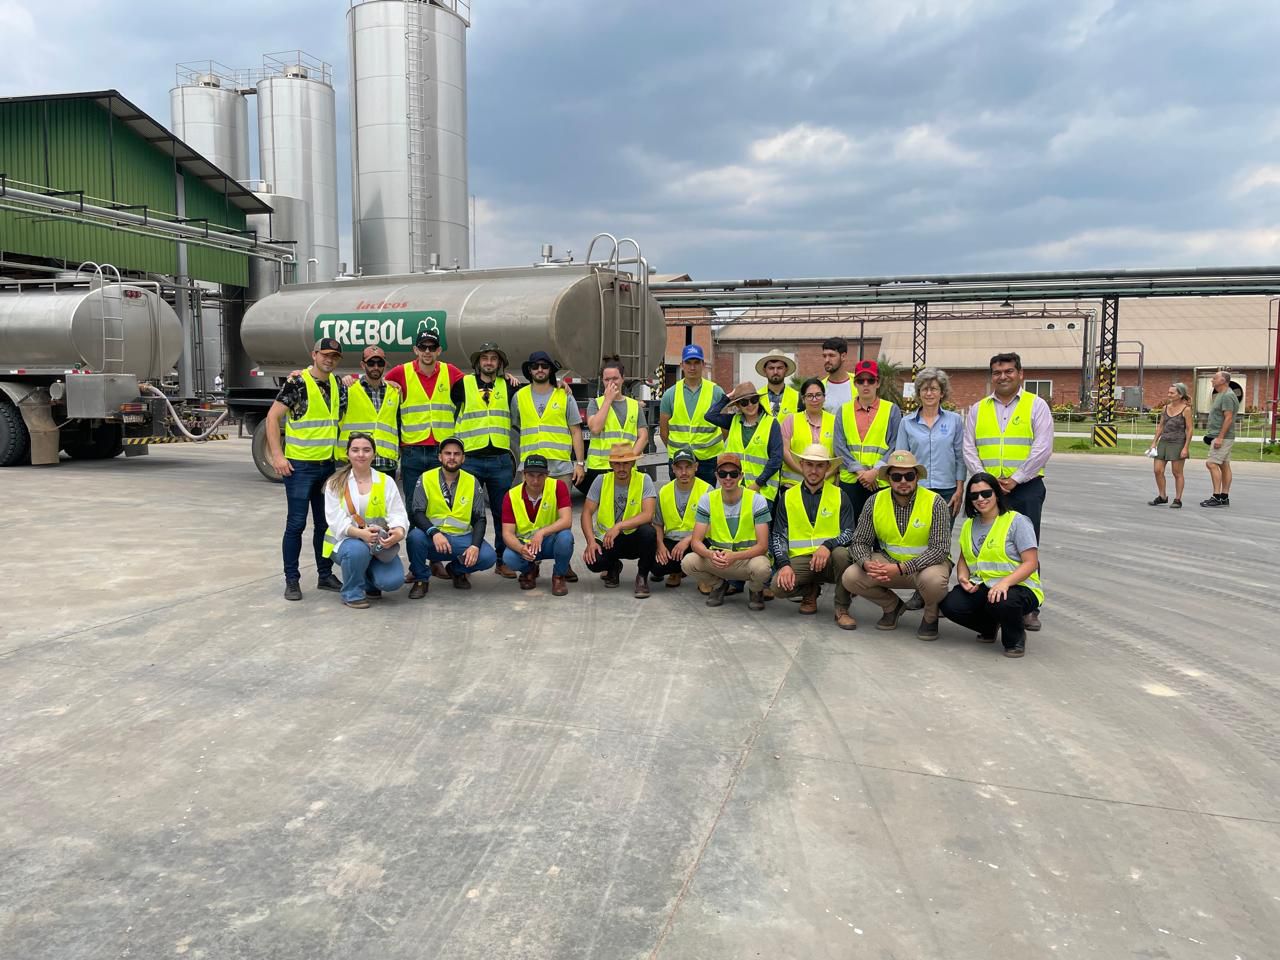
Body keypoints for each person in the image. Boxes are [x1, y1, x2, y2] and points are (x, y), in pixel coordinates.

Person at [963, 352, 1053, 632]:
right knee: (986, 543)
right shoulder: (978, 409)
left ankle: (1029, 607)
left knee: (1026, 545)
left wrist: (1016, 478)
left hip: (1026, 487)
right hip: (988, 491)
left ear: (1020, 373)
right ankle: (987, 597)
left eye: (1009, 371)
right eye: (997, 372)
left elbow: (1043, 447)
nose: (1003, 377)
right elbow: (969, 447)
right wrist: (986, 482)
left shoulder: (1036, 405)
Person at [265, 337, 348, 601]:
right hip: (300, 467)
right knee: (296, 525)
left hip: (327, 466)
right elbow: (272, 417)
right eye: (325, 355)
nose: (329, 360)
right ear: (314, 355)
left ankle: (325, 575)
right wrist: (277, 456)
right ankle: (292, 580)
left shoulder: (337, 385)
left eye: (334, 356)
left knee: (324, 525)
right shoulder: (297, 383)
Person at [842, 450, 954, 641]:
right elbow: (860, 541)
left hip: (925, 567)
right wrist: (866, 563)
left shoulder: (935, 502)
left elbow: (940, 549)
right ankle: (892, 606)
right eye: (896, 476)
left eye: (909, 475)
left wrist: (902, 568)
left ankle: (930, 615)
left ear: (917, 477)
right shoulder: (874, 501)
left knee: (934, 581)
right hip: (888, 562)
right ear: (888, 478)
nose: (903, 481)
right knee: (851, 577)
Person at [940, 472, 1043, 658]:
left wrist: (1005, 583)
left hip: (1018, 587)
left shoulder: (1017, 521)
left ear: (997, 494)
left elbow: (1031, 563)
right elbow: (964, 558)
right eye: (974, 495)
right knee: (950, 605)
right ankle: (989, 626)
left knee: (1002, 602)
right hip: (984, 585)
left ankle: (1015, 638)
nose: (980, 499)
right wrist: (963, 577)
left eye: (986, 493)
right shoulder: (969, 525)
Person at [898, 367, 965, 610]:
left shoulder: (954, 421)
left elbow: (959, 457)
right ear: (918, 393)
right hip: (917, 491)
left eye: (934, 389)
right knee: (921, 541)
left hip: (947, 491)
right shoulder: (907, 423)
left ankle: (938, 592)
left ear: (942, 392)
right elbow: (901, 458)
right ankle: (921, 590)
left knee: (941, 543)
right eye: (924, 389)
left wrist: (959, 489)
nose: (929, 393)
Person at [452, 341, 521, 575]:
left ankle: (502, 560)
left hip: (500, 460)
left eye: (493, 358)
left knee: (503, 514)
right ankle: (464, 564)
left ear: (500, 363)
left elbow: (535, 392)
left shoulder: (509, 386)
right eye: (485, 358)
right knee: (465, 513)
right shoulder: (462, 385)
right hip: (470, 459)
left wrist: (561, 385)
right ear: (477, 362)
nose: (489, 362)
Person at [771, 444, 857, 629]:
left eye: (819, 466)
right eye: (809, 464)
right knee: (777, 586)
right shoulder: (788, 496)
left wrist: (828, 545)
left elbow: (850, 532)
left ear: (827, 468)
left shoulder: (840, 495)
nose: (814, 470)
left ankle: (842, 608)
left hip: (830, 560)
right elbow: (778, 535)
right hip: (801, 559)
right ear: (801, 465)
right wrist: (784, 565)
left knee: (842, 555)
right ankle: (810, 590)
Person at [322, 433, 408, 608]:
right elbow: (335, 520)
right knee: (357, 550)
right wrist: (361, 534)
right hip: (345, 541)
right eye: (355, 450)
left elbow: (397, 512)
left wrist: (399, 531)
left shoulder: (386, 481)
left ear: (374, 454)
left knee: (392, 581)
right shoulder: (335, 483)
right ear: (348, 454)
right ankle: (352, 593)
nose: (361, 454)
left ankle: (368, 581)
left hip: (377, 543)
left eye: (366, 450)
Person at [384, 329, 465, 513]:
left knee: (440, 503)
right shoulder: (401, 372)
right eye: (423, 347)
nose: (427, 351)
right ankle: (415, 533)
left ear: (439, 350)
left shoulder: (450, 371)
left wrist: (503, 376)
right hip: (412, 450)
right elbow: (376, 383)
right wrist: (388, 383)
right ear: (415, 350)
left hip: (441, 450)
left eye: (432, 347)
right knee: (414, 503)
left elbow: (475, 384)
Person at [405, 436, 498, 597]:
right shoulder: (426, 478)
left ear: (463, 458)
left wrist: (475, 546)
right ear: (440, 457)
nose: (452, 457)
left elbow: (480, 519)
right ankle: (421, 579)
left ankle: (456, 570)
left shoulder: (472, 481)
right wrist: (434, 533)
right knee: (414, 537)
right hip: (433, 539)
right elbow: (417, 512)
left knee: (488, 556)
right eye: (448, 453)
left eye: (457, 454)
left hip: (461, 538)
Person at [681, 452, 773, 608]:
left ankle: (755, 590)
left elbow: (763, 546)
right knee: (688, 562)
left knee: (762, 568)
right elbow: (696, 542)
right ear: (717, 475)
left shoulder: (756, 500)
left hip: (747, 560)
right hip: (718, 559)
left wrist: (734, 556)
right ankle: (718, 585)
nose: (728, 478)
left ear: (741, 476)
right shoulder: (707, 499)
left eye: (733, 474)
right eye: (723, 474)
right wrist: (711, 554)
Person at [581, 443, 658, 598]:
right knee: (593, 561)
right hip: (608, 540)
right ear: (610, 464)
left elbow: (648, 514)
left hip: (634, 537)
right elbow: (586, 513)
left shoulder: (644, 479)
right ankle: (613, 567)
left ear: (633, 463)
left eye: (626, 463)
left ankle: (642, 576)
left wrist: (619, 526)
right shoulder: (601, 480)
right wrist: (591, 542)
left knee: (649, 532)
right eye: (617, 464)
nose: (621, 468)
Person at [834, 358, 902, 523]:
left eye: (870, 380)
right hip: (851, 480)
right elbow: (839, 446)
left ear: (877, 383)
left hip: (879, 481)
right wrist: (861, 472)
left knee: (879, 528)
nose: (866, 384)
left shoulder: (891, 410)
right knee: (851, 528)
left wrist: (875, 472)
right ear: (855, 383)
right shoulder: (843, 410)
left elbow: (895, 445)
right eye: (861, 380)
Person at [500, 454, 575, 595]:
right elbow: (507, 533)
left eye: (540, 475)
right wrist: (521, 548)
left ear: (547, 475)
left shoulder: (558, 486)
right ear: (523, 475)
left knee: (566, 537)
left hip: (548, 542)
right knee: (509, 557)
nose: (535, 481)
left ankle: (559, 576)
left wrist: (541, 533)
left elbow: (567, 520)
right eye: (531, 475)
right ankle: (529, 570)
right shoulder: (511, 495)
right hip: (526, 544)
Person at [706, 381, 783, 505]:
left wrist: (757, 484)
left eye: (754, 400)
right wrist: (728, 397)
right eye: (744, 402)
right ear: (738, 405)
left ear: (758, 400)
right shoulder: (733, 421)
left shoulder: (771, 424)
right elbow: (710, 415)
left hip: (762, 492)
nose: (750, 405)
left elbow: (776, 460)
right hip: (734, 490)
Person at [583, 356, 649, 494]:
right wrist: (608, 400)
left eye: (615, 378)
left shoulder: (634, 405)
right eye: (607, 379)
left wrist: (629, 460)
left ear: (623, 379)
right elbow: (595, 428)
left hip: (627, 468)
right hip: (600, 468)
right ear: (602, 381)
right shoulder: (595, 404)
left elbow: (643, 437)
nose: (611, 383)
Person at [660, 344, 725, 485]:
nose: (692, 367)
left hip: (708, 460)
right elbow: (663, 432)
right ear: (682, 365)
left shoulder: (716, 392)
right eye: (688, 363)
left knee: (706, 497)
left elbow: (725, 429)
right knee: (679, 497)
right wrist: (674, 450)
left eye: (696, 363)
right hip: (679, 459)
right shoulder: (670, 394)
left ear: (703, 364)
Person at [337, 345, 401, 477]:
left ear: (385, 365)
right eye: (371, 363)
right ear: (363, 365)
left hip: (385, 462)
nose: (376, 367)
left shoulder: (394, 392)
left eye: (380, 363)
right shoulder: (348, 389)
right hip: (355, 461)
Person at [653, 448, 712, 588]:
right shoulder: (664, 491)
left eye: (688, 467)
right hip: (673, 541)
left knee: (707, 552)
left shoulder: (707, 490)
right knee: (656, 567)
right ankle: (676, 571)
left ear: (696, 467)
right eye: (679, 468)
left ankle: (703, 575)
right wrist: (660, 545)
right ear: (673, 469)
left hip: (699, 541)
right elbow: (658, 524)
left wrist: (688, 540)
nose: (684, 472)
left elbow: (712, 524)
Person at [780, 377, 837, 489]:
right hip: (793, 486)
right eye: (810, 396)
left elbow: (839, 456)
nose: (814, 399)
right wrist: (804, 472)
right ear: (803, 399)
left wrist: (824, 476)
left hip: (826, 486)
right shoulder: (791, 420)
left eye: (818, 395)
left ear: (824, 397)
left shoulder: (835, 421)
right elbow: (784, 451)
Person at [1149, 382, 1192, 507]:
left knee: (1177, 472)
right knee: (1157, 470)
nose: (1169, 394)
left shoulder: (1186, 409)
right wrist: (1154, 442)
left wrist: (1185, 447)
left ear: (1180, 395)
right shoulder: (1165, 408)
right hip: (1164, 442)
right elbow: (1161, 426)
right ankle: (1162, 496)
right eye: (1169, 392)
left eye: (1172, 393)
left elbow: (1189, 429)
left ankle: (1178, 499)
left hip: (1178, 443)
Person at [1201, 370, 1239, 508]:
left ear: (1223, 380)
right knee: (1224, 465)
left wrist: (1220, 438)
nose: (1212, 380)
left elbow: (1228, 418)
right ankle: (1224, 497)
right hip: (1219, 435)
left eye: (1214, 378)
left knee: (1211, 463)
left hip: (1222, 436)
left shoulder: (1227, 396)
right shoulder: (1221, 394)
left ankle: (1216, 496)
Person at [756, 352, 799, 418]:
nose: (775, 372)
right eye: (771, 368)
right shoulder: (756, 398)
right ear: (765, 370)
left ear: (786, 370)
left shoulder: (798, 397)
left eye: (779, 368)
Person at [820, 337, 853, 414]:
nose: (826, 360)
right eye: (824, 356)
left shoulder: (859, 382)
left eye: (831, 355)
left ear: (843, 356)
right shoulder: (820, 387)